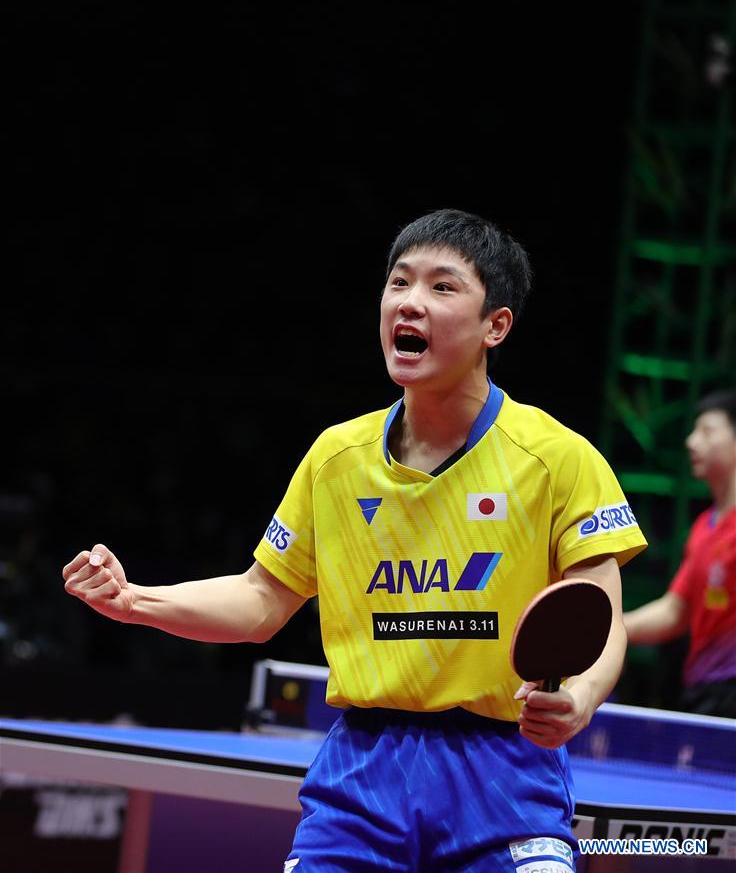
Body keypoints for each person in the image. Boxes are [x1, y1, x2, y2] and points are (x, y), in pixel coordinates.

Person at [63, 209, 647, 872]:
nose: (410, 302)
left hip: (506, 774)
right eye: (399, 282)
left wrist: (580, 697)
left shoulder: (557, 458)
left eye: (443, 287)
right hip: (363, 775)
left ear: (497, 326)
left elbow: (601, 613)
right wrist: (135, 601)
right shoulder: (335, 459)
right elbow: (260, 602)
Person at [624, 390, 736, 718]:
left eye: (707, 431)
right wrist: (613, 628)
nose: (691, 441)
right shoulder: (705, 528)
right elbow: (676, 609)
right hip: (704, 694)